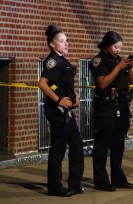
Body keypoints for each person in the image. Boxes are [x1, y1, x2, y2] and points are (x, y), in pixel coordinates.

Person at [38, 25, 84, 197]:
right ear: (52, 44)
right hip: (56, 110)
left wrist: (75, 95)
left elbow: (62, 85)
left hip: (67, 110)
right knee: (58, 147)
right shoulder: (53, 61)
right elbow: (42, 83)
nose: (66, 44)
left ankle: (75, 184)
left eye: (66, 41)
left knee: (77, 145)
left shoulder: (62, 60)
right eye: (62, 41)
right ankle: (55, 187)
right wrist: (58, 100)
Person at [89, 31, 133, 192]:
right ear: (107, 45)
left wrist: (129, 68)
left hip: (122, 106)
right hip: (107, 107)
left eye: (120, 47)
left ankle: (118, 177)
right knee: (103, 144)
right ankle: (101, 180)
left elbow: (131, 81)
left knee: (118, 144)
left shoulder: (118, 60)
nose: (118, 50)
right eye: (116, 47)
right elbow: (102, 84)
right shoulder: (98, 61)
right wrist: (118, 67)